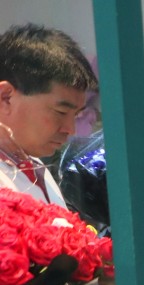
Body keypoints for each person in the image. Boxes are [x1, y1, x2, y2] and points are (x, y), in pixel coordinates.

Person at [0, 24, 95, 206]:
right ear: (6, 98)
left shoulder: (37, 169)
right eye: (60, 112)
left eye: (76, 115)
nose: (71, 129)